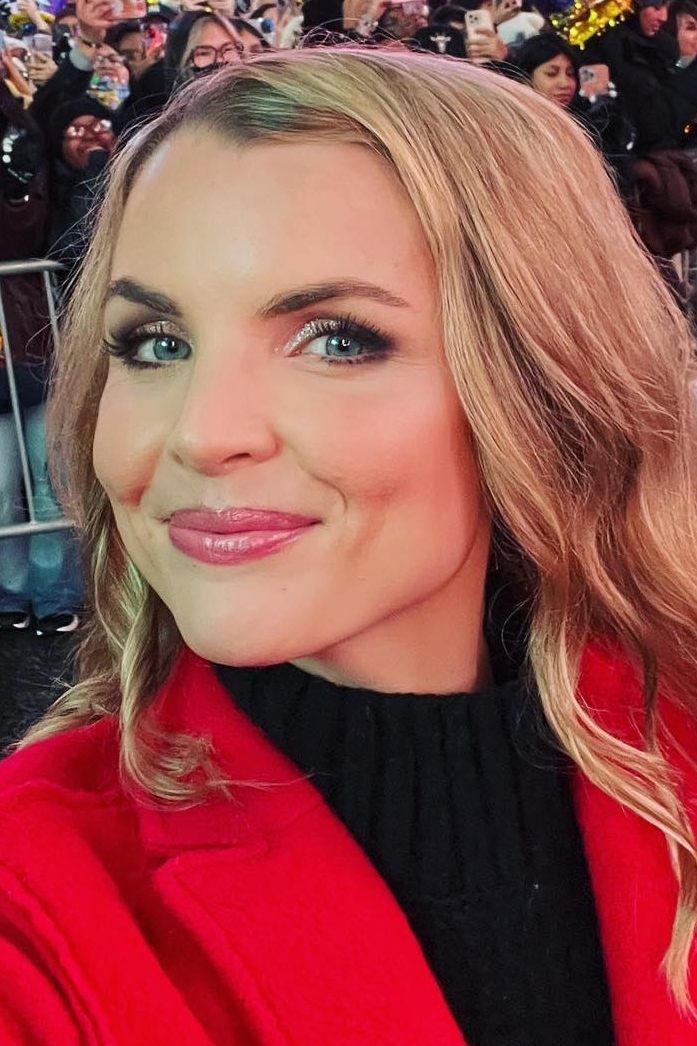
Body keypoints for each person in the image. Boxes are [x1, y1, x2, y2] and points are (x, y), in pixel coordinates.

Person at [0, 46, 696, 1046]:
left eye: (337, 338)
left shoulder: (673, 745)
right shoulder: (35, 891)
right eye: (155, 343)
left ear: (545, 386)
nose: (202, 432)